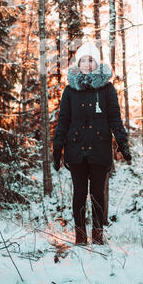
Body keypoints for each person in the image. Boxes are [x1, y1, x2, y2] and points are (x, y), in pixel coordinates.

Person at [52, 41, 131, 245]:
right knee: (79, 193)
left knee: (97, 193)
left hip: (99, 149)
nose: (87, 64)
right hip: (76, 150)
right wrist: (57, 148)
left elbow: (115, 118)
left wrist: (122, 144)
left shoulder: (107, 89)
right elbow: (63, 121)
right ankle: (80, 237)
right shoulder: (70, 91)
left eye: (91, 60)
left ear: (97, 62)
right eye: (83, 60)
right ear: (78, 63)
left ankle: (97, 236)